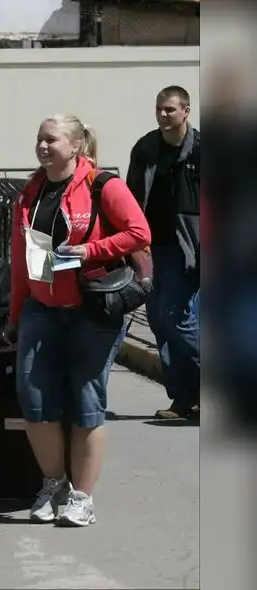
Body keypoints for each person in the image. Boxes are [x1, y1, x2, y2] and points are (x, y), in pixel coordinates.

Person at [6, 114, 151, 527]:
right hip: (41, 307)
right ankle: (55, 484)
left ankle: (83, 498)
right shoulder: (29, 194)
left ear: (75, 146)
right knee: (34, 400)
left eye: (51, 139)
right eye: (39, 139)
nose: (43, 146)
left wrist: (91, 251)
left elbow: (140, 234)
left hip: (93, 308)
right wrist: (16, 315)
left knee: (86, 399)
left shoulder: (103, 185)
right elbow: (23, 263)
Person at [126, 86, 201, 420]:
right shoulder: (145, 148)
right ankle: (184, 399)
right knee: (158, 319)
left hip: (191, 250)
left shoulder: (203, 150)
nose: (163, 115)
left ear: (186, 111)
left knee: (181, 320)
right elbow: (129, 199)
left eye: (170, 109)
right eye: (159, 109)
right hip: (151, 247)